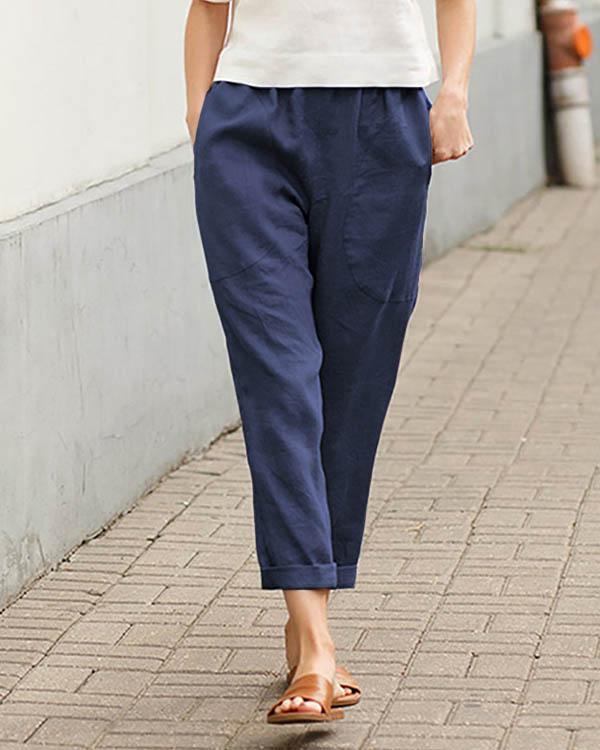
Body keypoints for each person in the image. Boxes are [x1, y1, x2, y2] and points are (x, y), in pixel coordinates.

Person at [184, 0, 475, 725]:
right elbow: (208, 7)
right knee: (279, 378)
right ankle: (317, 648)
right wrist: (201, 122)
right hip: (247, 125)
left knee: (351, 384)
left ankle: (306, 610)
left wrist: (454, 92)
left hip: (383, 122)